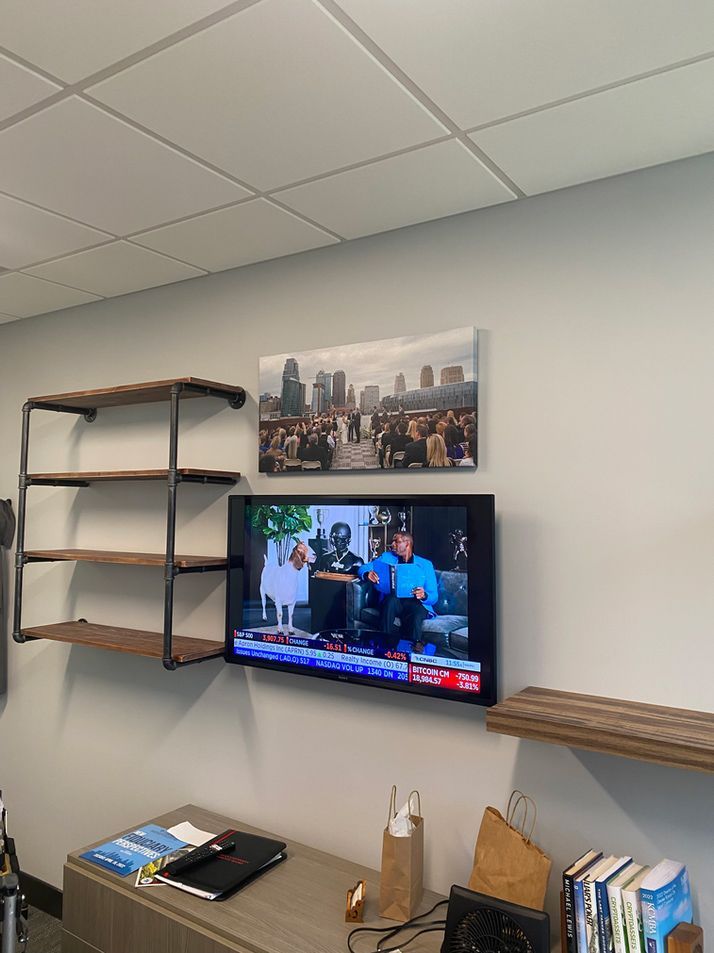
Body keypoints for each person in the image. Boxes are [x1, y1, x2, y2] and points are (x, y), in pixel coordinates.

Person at [358, 531, 438, 646]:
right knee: (390, 601)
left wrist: (424, 595)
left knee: (416, 616)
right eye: (392, 541)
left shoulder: (425, 564)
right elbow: (363, 567)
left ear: (407, 544)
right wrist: (367, 573)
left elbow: (434, 596)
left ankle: (413, 653)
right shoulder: (386, 557)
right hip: (394, 600)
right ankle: (384, 647)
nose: (393, 544)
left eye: (397, 541)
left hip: (416, 603)